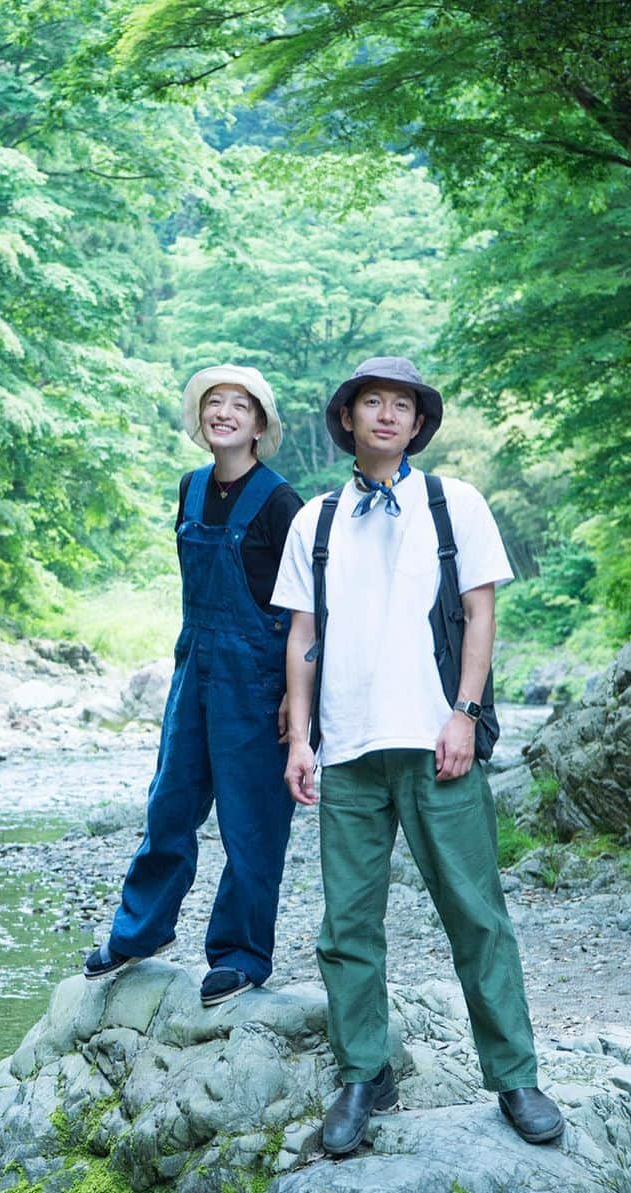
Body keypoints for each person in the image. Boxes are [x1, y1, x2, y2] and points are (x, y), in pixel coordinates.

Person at [271, 356, 564, 1153]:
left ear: (418, 422)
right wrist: (299, 738)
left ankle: (515, 1077)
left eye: (403, 404)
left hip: (439, 742)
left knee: (476, 914)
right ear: (349, 418)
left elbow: (479, 612)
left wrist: (465, 713)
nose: (389, 415)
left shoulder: (454, 501)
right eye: (374, 402)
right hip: (349, 749)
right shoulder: (317, 519)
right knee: (348, 924)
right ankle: (365, 1072)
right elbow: (302, 636)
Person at [84, 364, 303, 1007]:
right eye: (213, 404)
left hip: (258, 681)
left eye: (240, 405)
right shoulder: (190, 487)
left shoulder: (282, 501)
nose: (224, 413)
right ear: (200, 420)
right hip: (194, 668)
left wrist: (297, 695)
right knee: (170, 804)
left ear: (259, 425)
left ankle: (239, 956)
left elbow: (306, 609)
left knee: (251, 821)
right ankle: (139, 933)